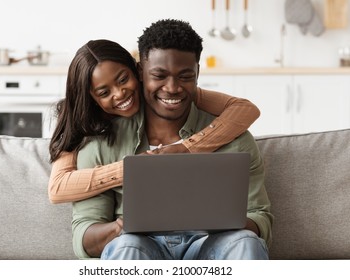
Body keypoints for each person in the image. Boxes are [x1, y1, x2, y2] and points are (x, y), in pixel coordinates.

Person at [72, 19, 273, 260]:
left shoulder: (235, 139)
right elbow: (84, 234)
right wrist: (123, 226)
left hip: (210, 246)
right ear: (140, 73)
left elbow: (260, 217)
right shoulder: (102, 142)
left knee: (245, 242)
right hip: (140, 247)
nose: (172, 88)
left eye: (185, 76)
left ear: (197, 73)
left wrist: (216, 222)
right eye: (159, 75)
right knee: (126, 247)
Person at [47, 39, 261, 204]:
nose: (120, 93)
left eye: (123, 79)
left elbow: (245, 109)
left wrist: (188, 148)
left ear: (137, 71)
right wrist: (132, 169)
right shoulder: (78, 117)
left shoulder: (162, 93)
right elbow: (58, 189)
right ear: (90, 96)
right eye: (104, 92)